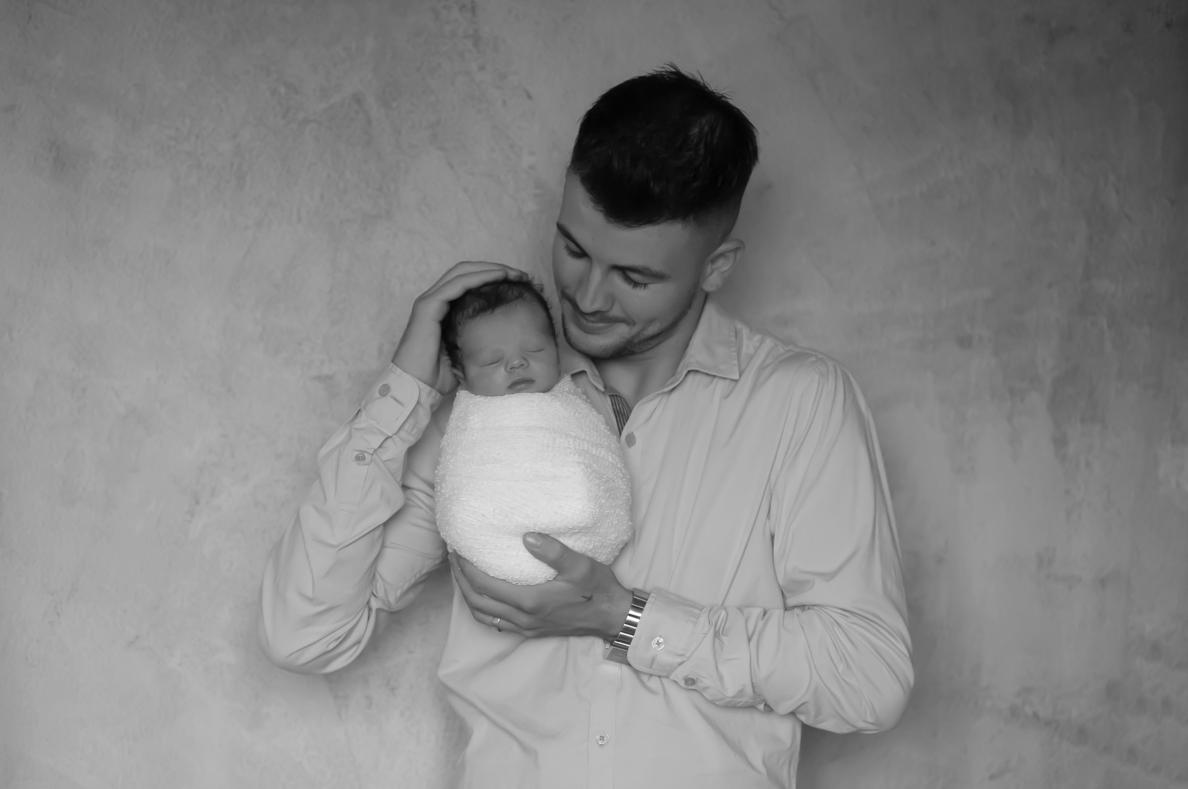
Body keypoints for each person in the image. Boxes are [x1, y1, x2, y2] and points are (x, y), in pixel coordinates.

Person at [259, 65, 913, 789]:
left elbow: (869, 676)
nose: (588, 298)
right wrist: (406, 390)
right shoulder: (484, 410)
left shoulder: (800, 405)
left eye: (634, 278)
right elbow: (308, 635)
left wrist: (624, 618)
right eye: (572, 249)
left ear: (717, 266)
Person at [432, 277, 633, 586]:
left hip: (589, 540)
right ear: (462, 376)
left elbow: (602, 467)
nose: (517, 363)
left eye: (535, 349)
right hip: (493, 547)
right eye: (492, 360)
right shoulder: (464, 427)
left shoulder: (581, 406)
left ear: (556, 350)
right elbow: (462, 496)